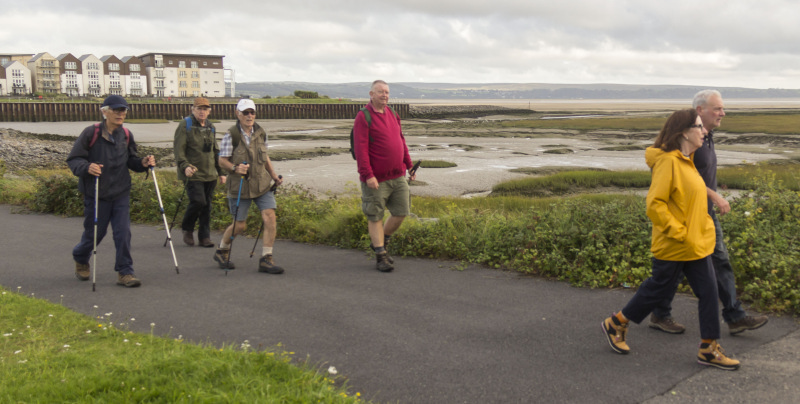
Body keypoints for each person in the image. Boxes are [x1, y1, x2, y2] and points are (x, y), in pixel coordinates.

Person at [602, 109, 740, 371]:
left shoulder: (686, 160)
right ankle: (616, 322)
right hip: (675, 243)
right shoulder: (668, 162)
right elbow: (655, 205)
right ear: (685, 133)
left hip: (695, 245)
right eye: (699, 127)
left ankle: (709, 348)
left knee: (709, 292)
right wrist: (680, 233)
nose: (703, 132)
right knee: (659, 289)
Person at [649, 90, 769, 335]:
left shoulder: (706, 137)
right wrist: (714, 195)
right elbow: (679, 176)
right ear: (699, 111)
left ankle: (734, 317)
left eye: (722, 108)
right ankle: (635, 318)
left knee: (717, 263)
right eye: (717, 108)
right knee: (673, 270)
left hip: (705, 214)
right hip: (689, 216)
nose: (723, 113)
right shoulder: (687, 140)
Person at [67, 95, 155, 288]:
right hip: (96, 193)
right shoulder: (91, 133)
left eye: (123, 110)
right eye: (116, 110)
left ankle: (125, 272)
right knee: (95, 235)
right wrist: (87, 167)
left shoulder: (126, 135)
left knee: (123, 233)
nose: (120, 113)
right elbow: (74, 160)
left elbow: (131, 161)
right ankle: (81, 256)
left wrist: (143, 163)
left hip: (121, 191)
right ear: (104, 111)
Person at [214, 98, 284, 274]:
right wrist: (235, 168)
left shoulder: (261, 133)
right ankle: (222, 250)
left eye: (252, 112)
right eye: (245, 112)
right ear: (237, 114)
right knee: (240, 225)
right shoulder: (231, 135)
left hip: (261, 184)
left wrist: (274, 175)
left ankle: (266, 258)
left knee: (270, 217)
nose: (249, 115)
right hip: (240, 186)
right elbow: (222, 160)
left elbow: (265, 157)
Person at [353, 80, 417, 272]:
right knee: (375, 216)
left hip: (398, 175)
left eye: (387, 92)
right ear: (371, 94)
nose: (385, 95)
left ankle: (382, 240)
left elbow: (401, 141)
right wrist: (368, 175)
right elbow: (361, 149)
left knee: (401, 212)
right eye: (380, 92)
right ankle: (381, 255)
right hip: (376, 179)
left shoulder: (393, 114)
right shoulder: (363, 117)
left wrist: (409, 165)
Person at [173, 97, 225, 248]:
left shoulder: (211, 126)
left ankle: (204, 237)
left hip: (210, 173)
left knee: (207, 205)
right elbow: (179, 150)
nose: (202, 112)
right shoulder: (185, 125)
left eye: (205, 109)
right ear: (193, 109)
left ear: (209, 111)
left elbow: (215, 151)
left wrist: (221, 172)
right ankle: (187, 228)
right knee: (198, 201)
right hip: (192, 173)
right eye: (199, 109)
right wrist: (184, 166)